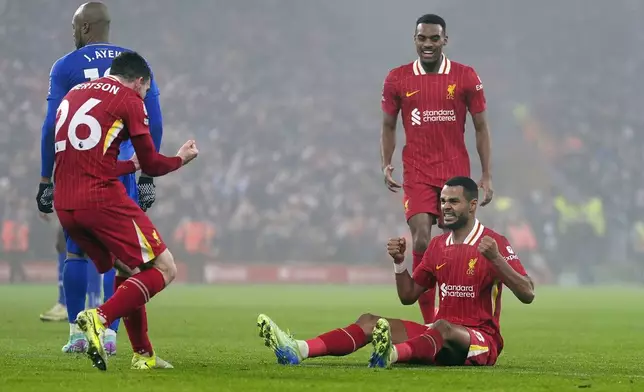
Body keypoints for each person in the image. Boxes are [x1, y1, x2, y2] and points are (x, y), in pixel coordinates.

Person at [258, 177, 533, 367]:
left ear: (472, 206)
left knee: (442, 327)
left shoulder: (494, 242)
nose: (445, 207)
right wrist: (399, 263)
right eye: (443, 201)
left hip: (480, 342)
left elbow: (528, 293)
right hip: (437, 335)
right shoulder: (438, 245)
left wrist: (497, 259)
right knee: (369, 321)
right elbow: (408, 295)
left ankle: (390, 355)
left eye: (454, 202)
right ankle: (298, 350)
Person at [50, 50, 198, 371]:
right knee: (165, 268)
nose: (145, 97)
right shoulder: (129, 100)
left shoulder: (74, 94)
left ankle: (143, 356)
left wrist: (123, 165)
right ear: (140, 81)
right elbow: (152, 164)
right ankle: (98, 318)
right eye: (146, 91)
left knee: (129, 271)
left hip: (66, 203)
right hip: (101, 200)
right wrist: (180, 158)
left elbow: (82, 159)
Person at [36, 1, 164, 354]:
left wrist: (46, 179)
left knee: (75, 254)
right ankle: (109, 335)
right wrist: (148, 176)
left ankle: (78, 335)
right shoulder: (134, 63)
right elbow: (154, 120)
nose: (73, 33)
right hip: (120, 170)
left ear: (87, 28)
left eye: (75, 27)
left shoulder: (65, 66)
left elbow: (50, 127)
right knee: (124, 258)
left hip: (76, 173)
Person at [380, 14, 494, 324]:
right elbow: (389, 125)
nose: (427, 44)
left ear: (444, 40)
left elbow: (481, 127)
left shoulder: (466, 77)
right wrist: (386, 161)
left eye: (434, 39)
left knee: (452, 244)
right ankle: (431, 321)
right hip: (416, 169)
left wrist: (485, 174)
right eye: (422, 38)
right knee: (420, 240)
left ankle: (457, 314)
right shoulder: (397, 79)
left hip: (455, 171)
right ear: (414, 40)